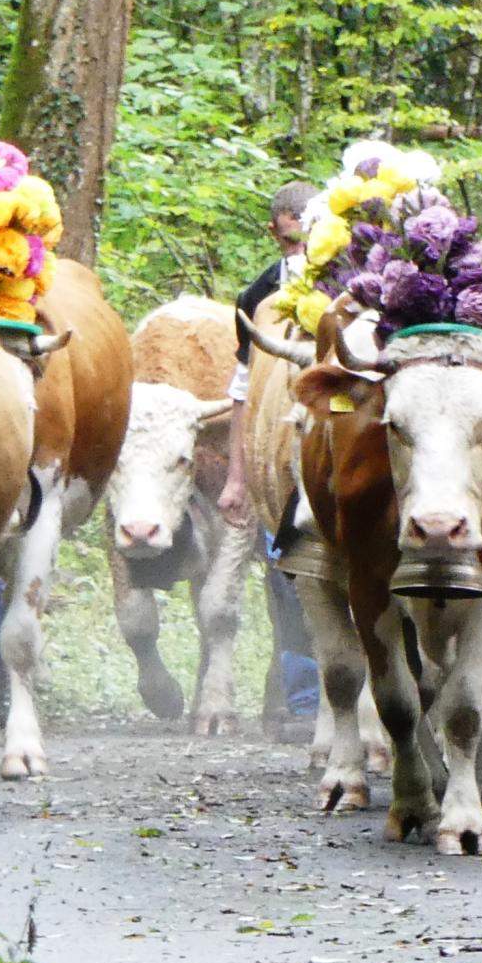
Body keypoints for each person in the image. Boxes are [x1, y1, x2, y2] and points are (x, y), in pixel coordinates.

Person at [216, 180, 321, 726]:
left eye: (309, 241)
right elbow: (242, 393)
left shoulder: (355, 288)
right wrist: (238, 477)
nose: (299, 254)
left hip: (338, 444)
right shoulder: (255, 298)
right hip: (277, 455)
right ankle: (303, 698)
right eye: (288, 242)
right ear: (274, 233)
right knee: (286, 573)